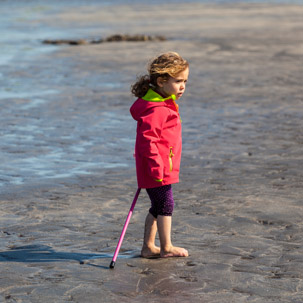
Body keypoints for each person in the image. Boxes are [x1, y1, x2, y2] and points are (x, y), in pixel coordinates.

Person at [130, 52, 189, 258]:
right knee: (166, 204)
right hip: (157, 167)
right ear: (162, 81)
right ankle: (166, 246)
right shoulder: (157, 109)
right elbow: (149, 140)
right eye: (178, 81)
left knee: (158, 204)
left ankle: (148, 247)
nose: (182, 86)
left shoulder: (163, 104)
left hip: (162, 164)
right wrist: (157, 167)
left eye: (185, 81)